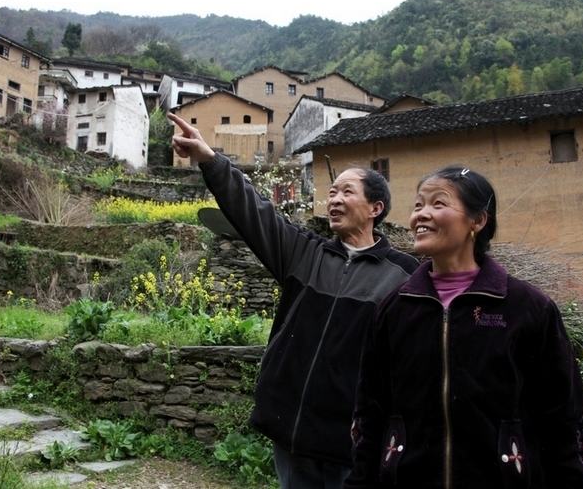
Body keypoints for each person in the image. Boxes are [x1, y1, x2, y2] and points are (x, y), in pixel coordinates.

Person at [168, 112, 419, 489]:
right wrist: (210, 159)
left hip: (353, 444)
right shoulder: (305, 253)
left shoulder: (404, 275)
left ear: (375, 208)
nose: (334, 199)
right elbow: (254, 212)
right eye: (332, 192)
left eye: (347, 192)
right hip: (292, 433)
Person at [344, 166, 583, 488]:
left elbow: (564, 419)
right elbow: (370, 414)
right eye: (418, 205)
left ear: (478, 220)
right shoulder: (395, 310)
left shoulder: (528, 309)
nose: (422, 215)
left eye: (438, 204)